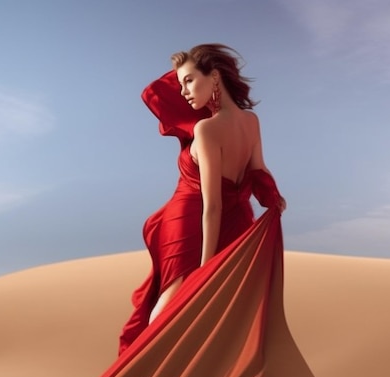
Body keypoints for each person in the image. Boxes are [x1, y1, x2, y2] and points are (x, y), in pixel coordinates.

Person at [118, 44, 286, 354]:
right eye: (180, 83)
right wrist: (272, 196)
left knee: (171, 307)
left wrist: (206, 268)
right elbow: (259, 170)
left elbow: (212, 205)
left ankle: (145, 376)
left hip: (196, 218)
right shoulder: (251, 121)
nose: (182, 92)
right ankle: (145, 375)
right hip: (229, 218)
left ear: (216, 76)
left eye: (189, 81)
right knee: (175, 306)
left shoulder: (206, 129)